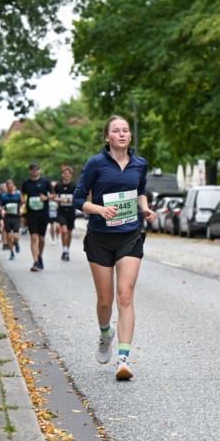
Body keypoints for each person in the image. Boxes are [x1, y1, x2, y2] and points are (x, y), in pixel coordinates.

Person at [75, 116, 156, 380]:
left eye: (125, 130)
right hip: (100, 237)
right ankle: (103, 334)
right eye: (116, 131)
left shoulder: (139, 164)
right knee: (105, 300)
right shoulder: (96, 164)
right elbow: (78, 198)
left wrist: (144, 208)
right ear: (107, 137)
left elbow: (140, 191)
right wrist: (99, 209)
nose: (121, 134)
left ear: (130, 136)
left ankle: (123, 360)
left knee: (125, 296)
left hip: (129, 236)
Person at [21, 162, 53, 272]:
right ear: (30, 171)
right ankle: (35, 261)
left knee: (42, 239)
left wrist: (46, 198)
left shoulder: (45, 182)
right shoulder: (26, 183)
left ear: (39, 170)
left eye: (36, 169)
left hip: (43, 213)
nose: (34, 171)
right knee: (34, 237)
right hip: (31, 214)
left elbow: (53, 195)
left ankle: (39, 257)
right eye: (32, 169)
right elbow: (22, 194)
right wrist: (23, 201)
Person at [54, 164, 77, 261]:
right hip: (61, 212)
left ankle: (67, 250)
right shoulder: (58, 186)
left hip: (71, 212)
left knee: (69, 232)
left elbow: (78, 198)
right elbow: (53, 197)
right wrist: (58, 200)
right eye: (65, 173)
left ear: (71, 175)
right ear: (62, 175)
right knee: (64, 231)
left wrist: (70, 200)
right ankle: (64, 250)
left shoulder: (74, 186)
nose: (67, 175)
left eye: (69, 174)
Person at [0, 179, 23, 260]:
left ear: (13, 186)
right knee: (9, 236)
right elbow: (1, 206)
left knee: (15, 236)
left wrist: (21, 210)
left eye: (11, 185)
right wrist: (2, 211)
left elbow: (22, 204)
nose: (10, 187)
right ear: (6, 187)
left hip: (16, 217)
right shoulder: (3, 196)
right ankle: (12, 253)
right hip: (7, 217)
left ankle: (16, 243)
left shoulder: (18, 195)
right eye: (8, 186)